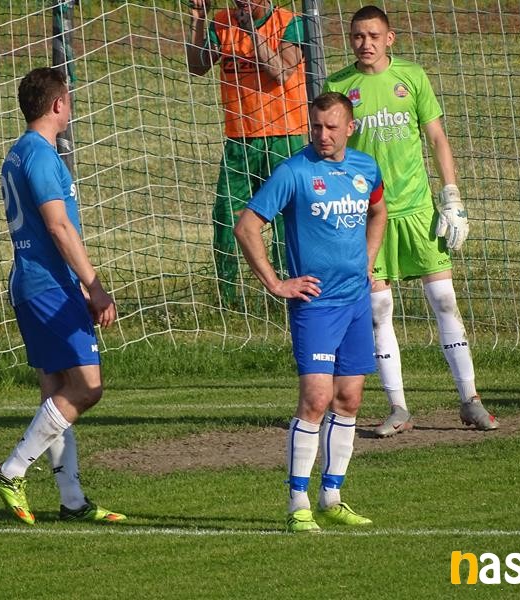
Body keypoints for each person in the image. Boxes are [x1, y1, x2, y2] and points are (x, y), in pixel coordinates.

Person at [323, 6, 499, 435]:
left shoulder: (413, 77)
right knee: (379, 309)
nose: (365, 43)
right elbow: (331, 152)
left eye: (373, 36)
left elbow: (436, 137)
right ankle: (398, 408)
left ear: (390, 38)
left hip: (418, 211)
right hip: (369, 217)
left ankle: (470, 400)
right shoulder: (338, 85)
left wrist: (451, 195)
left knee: (444, 300)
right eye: (357, 36)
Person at [234, 92, 387, 533]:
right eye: (316, 126)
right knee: (316, 400)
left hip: (355, 301)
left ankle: (331, 497)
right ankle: (297, 501)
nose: (323, 135)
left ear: (350, 128)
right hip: (315, 306)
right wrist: (275, 283)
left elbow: (379, 212)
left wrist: (368, 261)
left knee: (350, 399)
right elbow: (247, 227)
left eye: (332, 127)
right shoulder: (293, 172)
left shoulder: (365, 168)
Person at [0, 67, 125, 525]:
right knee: (87, 387)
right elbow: (58, 226)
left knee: (56, 394)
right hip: (49, 285)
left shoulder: (18, 153)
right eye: (69, 98)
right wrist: (94, 286)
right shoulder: (42, 156)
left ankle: (72, 500)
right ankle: (11, 471)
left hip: (34, 283)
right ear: (57, 104)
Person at [185, 0, 309, 306]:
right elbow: (196, 67)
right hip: (239, 139)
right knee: (226, 215)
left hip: (284, 136)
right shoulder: (222, 22)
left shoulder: (289, 22)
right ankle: (227, 298)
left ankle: (289, 290)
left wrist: (252, 31)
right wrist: (198, 19)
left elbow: (281, 72)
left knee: (287, 218)